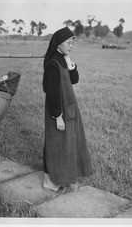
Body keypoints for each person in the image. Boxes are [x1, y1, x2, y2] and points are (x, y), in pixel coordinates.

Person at [42, 27, 93, 191]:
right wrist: (57, 116)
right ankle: (50, 182)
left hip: (68, 107)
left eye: (72, 43)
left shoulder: (63, 60)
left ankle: (62, 179)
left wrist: (71, 63)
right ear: (58, 44)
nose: (71, 45)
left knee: (67, 144)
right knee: (54, 144)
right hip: (58, 110)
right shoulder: (52, 65)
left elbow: (74, 79)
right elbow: (52, 93)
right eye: (68, 43)